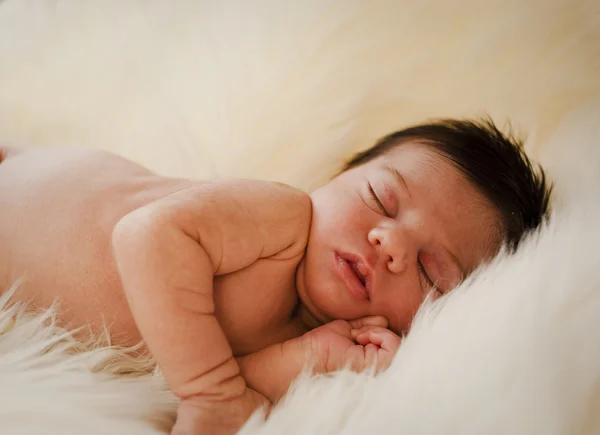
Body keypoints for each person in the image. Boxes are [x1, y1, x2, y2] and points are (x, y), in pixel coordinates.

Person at [0, 118, 551, 434]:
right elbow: (145, 237)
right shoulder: (280, 220)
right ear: (337, 177)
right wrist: (211, 394)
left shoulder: (304, 336)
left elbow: (208, 372)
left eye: (431, 272)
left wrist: (314, 359)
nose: (393, 244)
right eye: (381, 198)